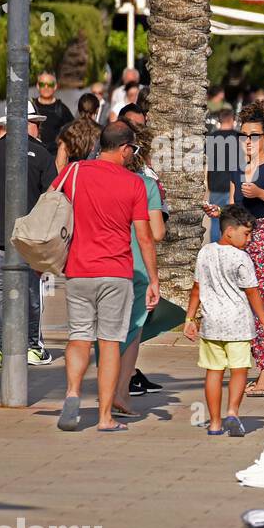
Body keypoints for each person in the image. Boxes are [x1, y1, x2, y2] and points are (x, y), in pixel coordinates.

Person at [51, 122, 159, 433]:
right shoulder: (133, 183)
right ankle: (104, 418)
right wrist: (153, 279)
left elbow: (50, 204)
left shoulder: (75, 172)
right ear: (125, 148)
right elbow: (145, 237)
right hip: (116, 273)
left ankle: (72, 393)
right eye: (132, 150)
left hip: (79, 269)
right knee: (110, 341)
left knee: (79, 337)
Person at [206, 100, 264, 398]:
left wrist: (261, 193)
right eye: (244, 135)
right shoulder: (236, 169)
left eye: (254, 135)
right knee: (245, 310)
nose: (248, 141)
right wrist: (219, 212)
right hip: (242, 248)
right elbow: (235, 209)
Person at [183, 205, 264, 437]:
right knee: (239, 370)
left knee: (214, 372)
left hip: (212, 325)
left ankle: (214, 422)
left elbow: (196, 288)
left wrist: (190, 318)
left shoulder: (205, 252)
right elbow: (252, 292)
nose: (249, 239)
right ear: (229, 231)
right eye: (246, 233)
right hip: (239, 325)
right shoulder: (241, 258)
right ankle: (232, 412)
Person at [111, 127, 166, 417]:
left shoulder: (103, 178)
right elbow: (156, 233)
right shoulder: (147, 185)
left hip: (104, 263)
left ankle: (105, 391)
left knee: (106, 331)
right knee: (132, 332)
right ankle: (121, 391)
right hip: (137, 268)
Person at [0, 104, 59, 367]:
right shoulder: (43, 156)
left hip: (0, 240)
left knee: (1, 295)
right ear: (26, 124)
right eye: (36, 123)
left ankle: (1, 347)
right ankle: (33, 347)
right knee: (33, 296)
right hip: (30, 240)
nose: (39, 128)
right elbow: (53, 199)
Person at [206, 107, 241, 242]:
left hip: (216, 183)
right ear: (232, 120)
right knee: (233, 220)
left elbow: (207, 160)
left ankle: (215, 248)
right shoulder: (239, 137)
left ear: (220, 121)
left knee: (215, 221)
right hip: (234, 183)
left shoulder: (212, 138)